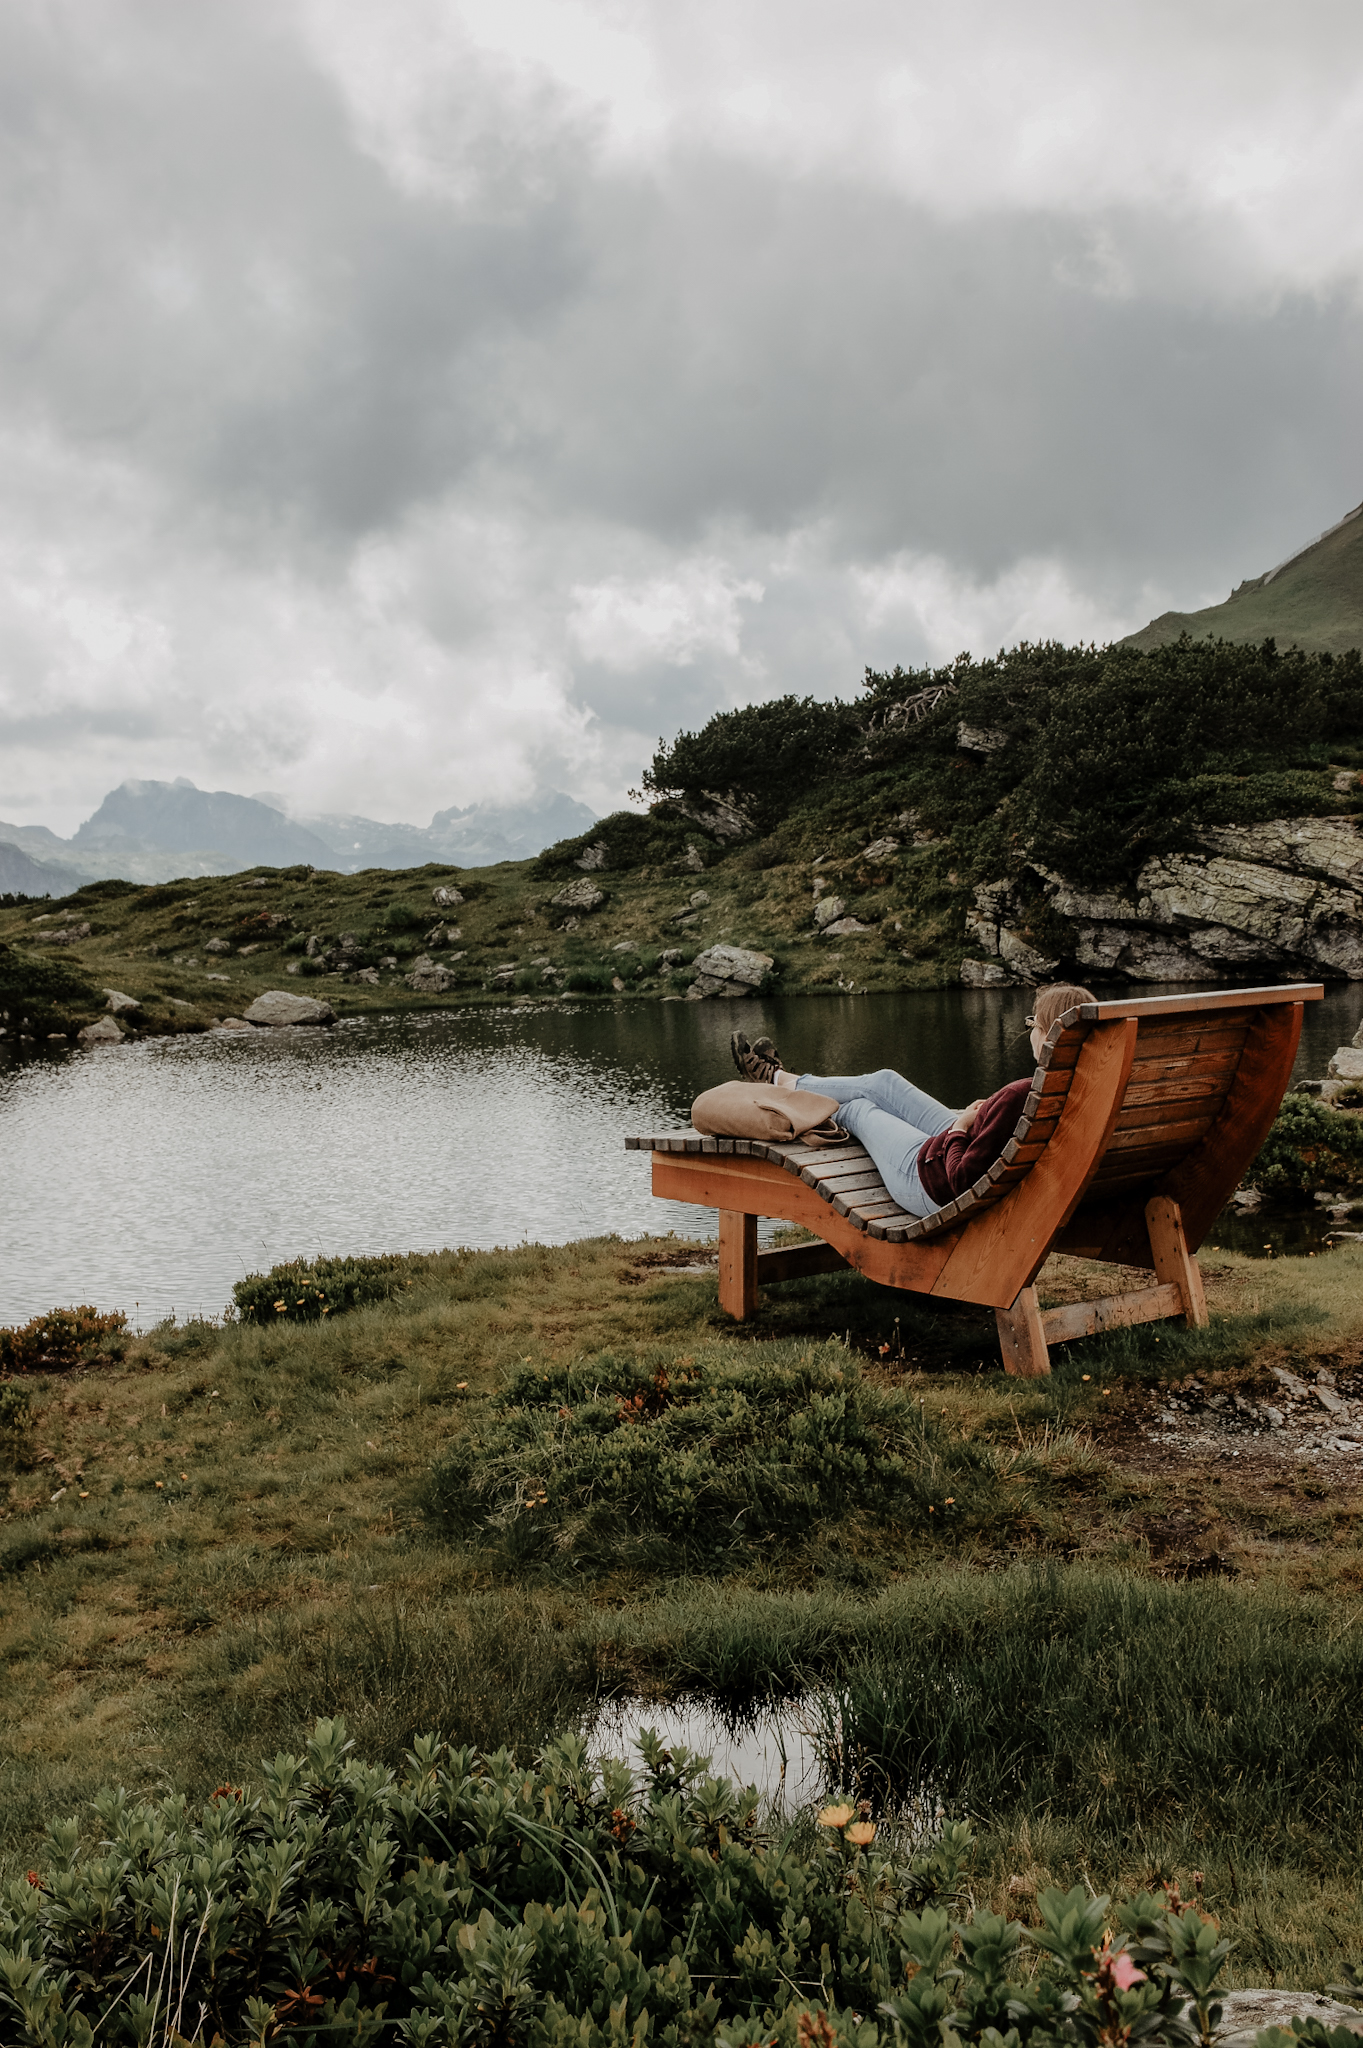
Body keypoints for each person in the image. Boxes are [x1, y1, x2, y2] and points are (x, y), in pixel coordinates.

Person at [730, 980, 1096, 1219]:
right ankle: (780, 1079)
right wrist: (977, 1123)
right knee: (885, 1083)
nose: (1030, 1029)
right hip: (974, 1160)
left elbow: (961, 1180)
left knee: (858, 1108)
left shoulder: (1021, 1095)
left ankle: (772, 1089)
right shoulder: (1082, 1089)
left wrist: (959, 1127)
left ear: (1049, 1034)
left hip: (928, 1183)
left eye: (1034, 1024)